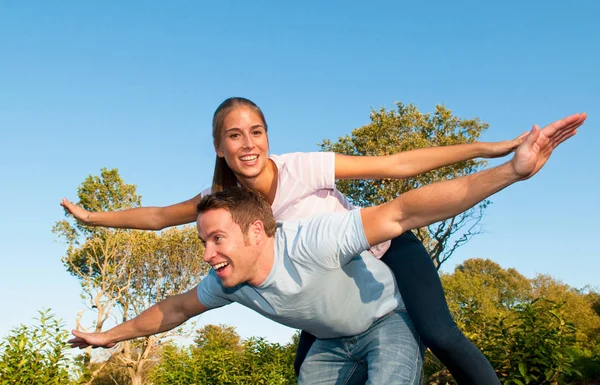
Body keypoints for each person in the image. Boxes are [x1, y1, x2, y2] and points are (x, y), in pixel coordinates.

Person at [61, 96, 584, 384]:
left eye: (257, 131)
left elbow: (398, 172)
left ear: (268, 135)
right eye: (235, 135)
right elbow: (155, 217)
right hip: (319, 287)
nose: (249, 144)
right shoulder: (218, 205)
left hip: (382, 252)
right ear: (219, 146)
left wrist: (493, 151)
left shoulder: (302, 167)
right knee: (308, 364)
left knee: (440, 335)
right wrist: (94, 218)